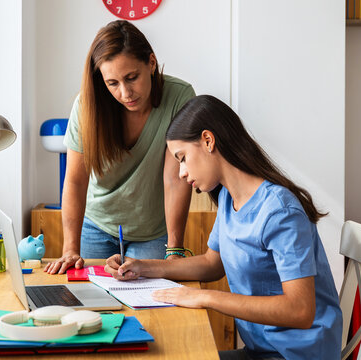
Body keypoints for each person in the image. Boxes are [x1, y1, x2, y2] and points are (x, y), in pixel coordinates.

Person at [105, 95, 342, 360]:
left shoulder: (279, 211)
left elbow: (300, 310)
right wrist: (143, 267)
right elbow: (211, 263)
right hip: (261, 351)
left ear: (208, 140)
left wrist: (206, 298)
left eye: (182, 158)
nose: (181, 172)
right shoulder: (229, 197)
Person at [45, 20, 194, 275]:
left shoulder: (180, 96)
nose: (125, 93)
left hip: (151, 231)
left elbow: (174, 179)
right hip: (96, 225)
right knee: (91, 308)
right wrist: (70, 249)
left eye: (132, 77)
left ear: (151, 63)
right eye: (112, 83)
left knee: (150, 308)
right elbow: (75, 181)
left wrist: (175, 250)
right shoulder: (87, 105)